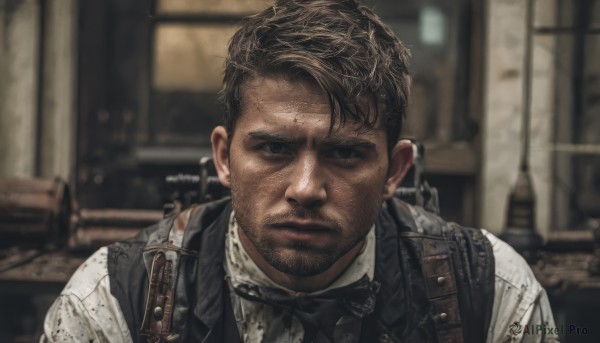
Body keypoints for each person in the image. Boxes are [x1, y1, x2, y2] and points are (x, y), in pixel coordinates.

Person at [41, 0, 557, 342]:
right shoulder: (112, 299)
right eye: (273, 149)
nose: (306, 189)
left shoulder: (490, 291)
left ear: (396, 169)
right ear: (224, 157)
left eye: (346, 154)